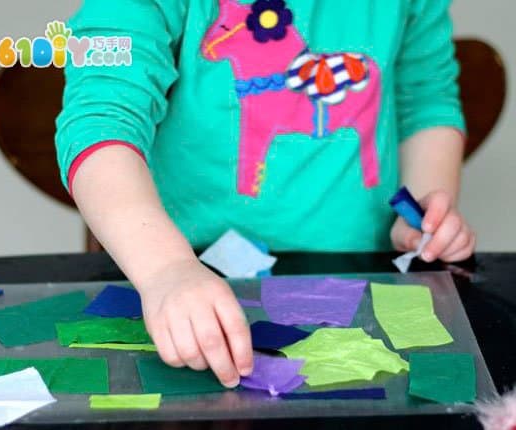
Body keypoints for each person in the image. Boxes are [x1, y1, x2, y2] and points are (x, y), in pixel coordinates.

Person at [56, 0, 475, 388]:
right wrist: (165, 269)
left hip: (359, 282)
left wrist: (420, 210)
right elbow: (100, 121)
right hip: (180, 280)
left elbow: (424, 99)